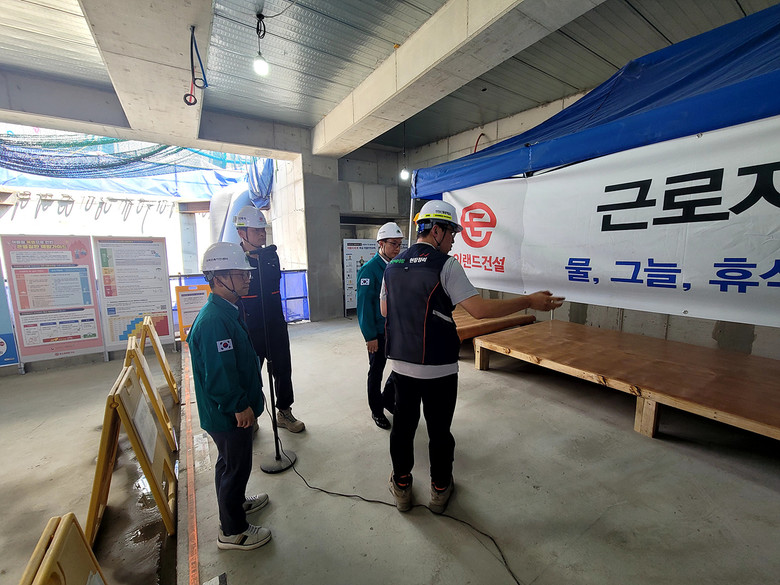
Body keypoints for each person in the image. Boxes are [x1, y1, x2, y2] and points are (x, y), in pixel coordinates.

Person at [381, 200, 564, 514]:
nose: (454, 240)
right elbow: (478, 310)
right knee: (439, 431)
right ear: (436, 230)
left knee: (403, 428)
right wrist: (528, 301)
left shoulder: (392, 266)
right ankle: (440, 489)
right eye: (452, 232)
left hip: (401, 366)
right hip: (438, 369)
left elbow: (385, 310)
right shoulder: (446, 265)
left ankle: (401, 486)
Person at [187, 242, 272, 550]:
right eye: (240, 274)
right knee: (235, 467)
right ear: (219, 278)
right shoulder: (214, 321)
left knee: (229, 464)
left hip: (227, 411)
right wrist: (239, 406)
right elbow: (220, 374)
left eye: (246, 273)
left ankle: (234, 504)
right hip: (227, 414)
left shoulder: (227, 311)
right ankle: (233, 530)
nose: (247, 278)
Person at [233, 206, 304, 433]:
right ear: (242, 233)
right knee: (250, 373)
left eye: (263, 230)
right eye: (256, 230)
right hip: (249, 326)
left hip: (275, 322)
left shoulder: (271, 255)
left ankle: (284, 412)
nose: (262, 234)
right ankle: (251, 416)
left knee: (283, 369)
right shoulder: (236, 259)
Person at [356, 222, 403, 430]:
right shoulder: (369, 270)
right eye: (393, 244)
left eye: (400, 244)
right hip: (378, 332)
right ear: (381, 244)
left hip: (395, 329)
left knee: (401, 368)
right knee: (376, 372)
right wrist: (370, 336)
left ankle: (387, 398)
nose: (397, 248)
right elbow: (364, 307)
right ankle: (376, 409)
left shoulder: (396, 266)